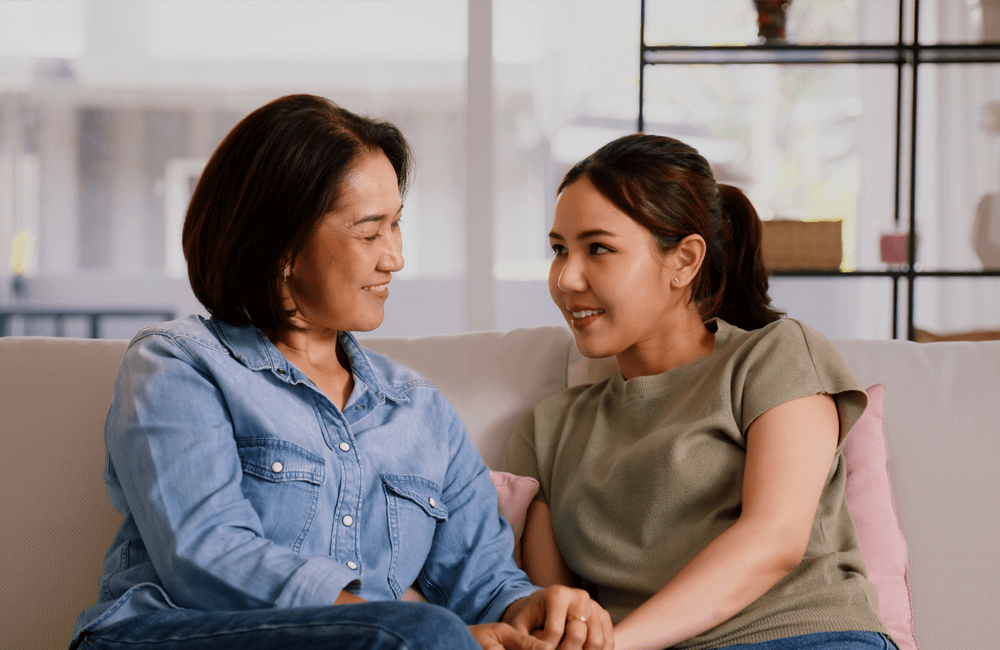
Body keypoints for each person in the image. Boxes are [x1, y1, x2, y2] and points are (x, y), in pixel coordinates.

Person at [69, 94, 613, 650]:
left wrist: (535, 609)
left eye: (397, 225)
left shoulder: (419, 410)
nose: (395, 257)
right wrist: (398, 628)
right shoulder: (178, 365)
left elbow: (485, 583)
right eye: (370, 231)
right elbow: (207, 556)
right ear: (282, 246)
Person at [506, 133, 897, 650]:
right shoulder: (548, 428)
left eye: (598, 248)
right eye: (559, 250)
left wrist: (617, 646)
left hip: (806, 638)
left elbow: (774, 539)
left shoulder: (774, 357)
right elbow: (560, 610)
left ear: (685, 260)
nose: (566, 278)